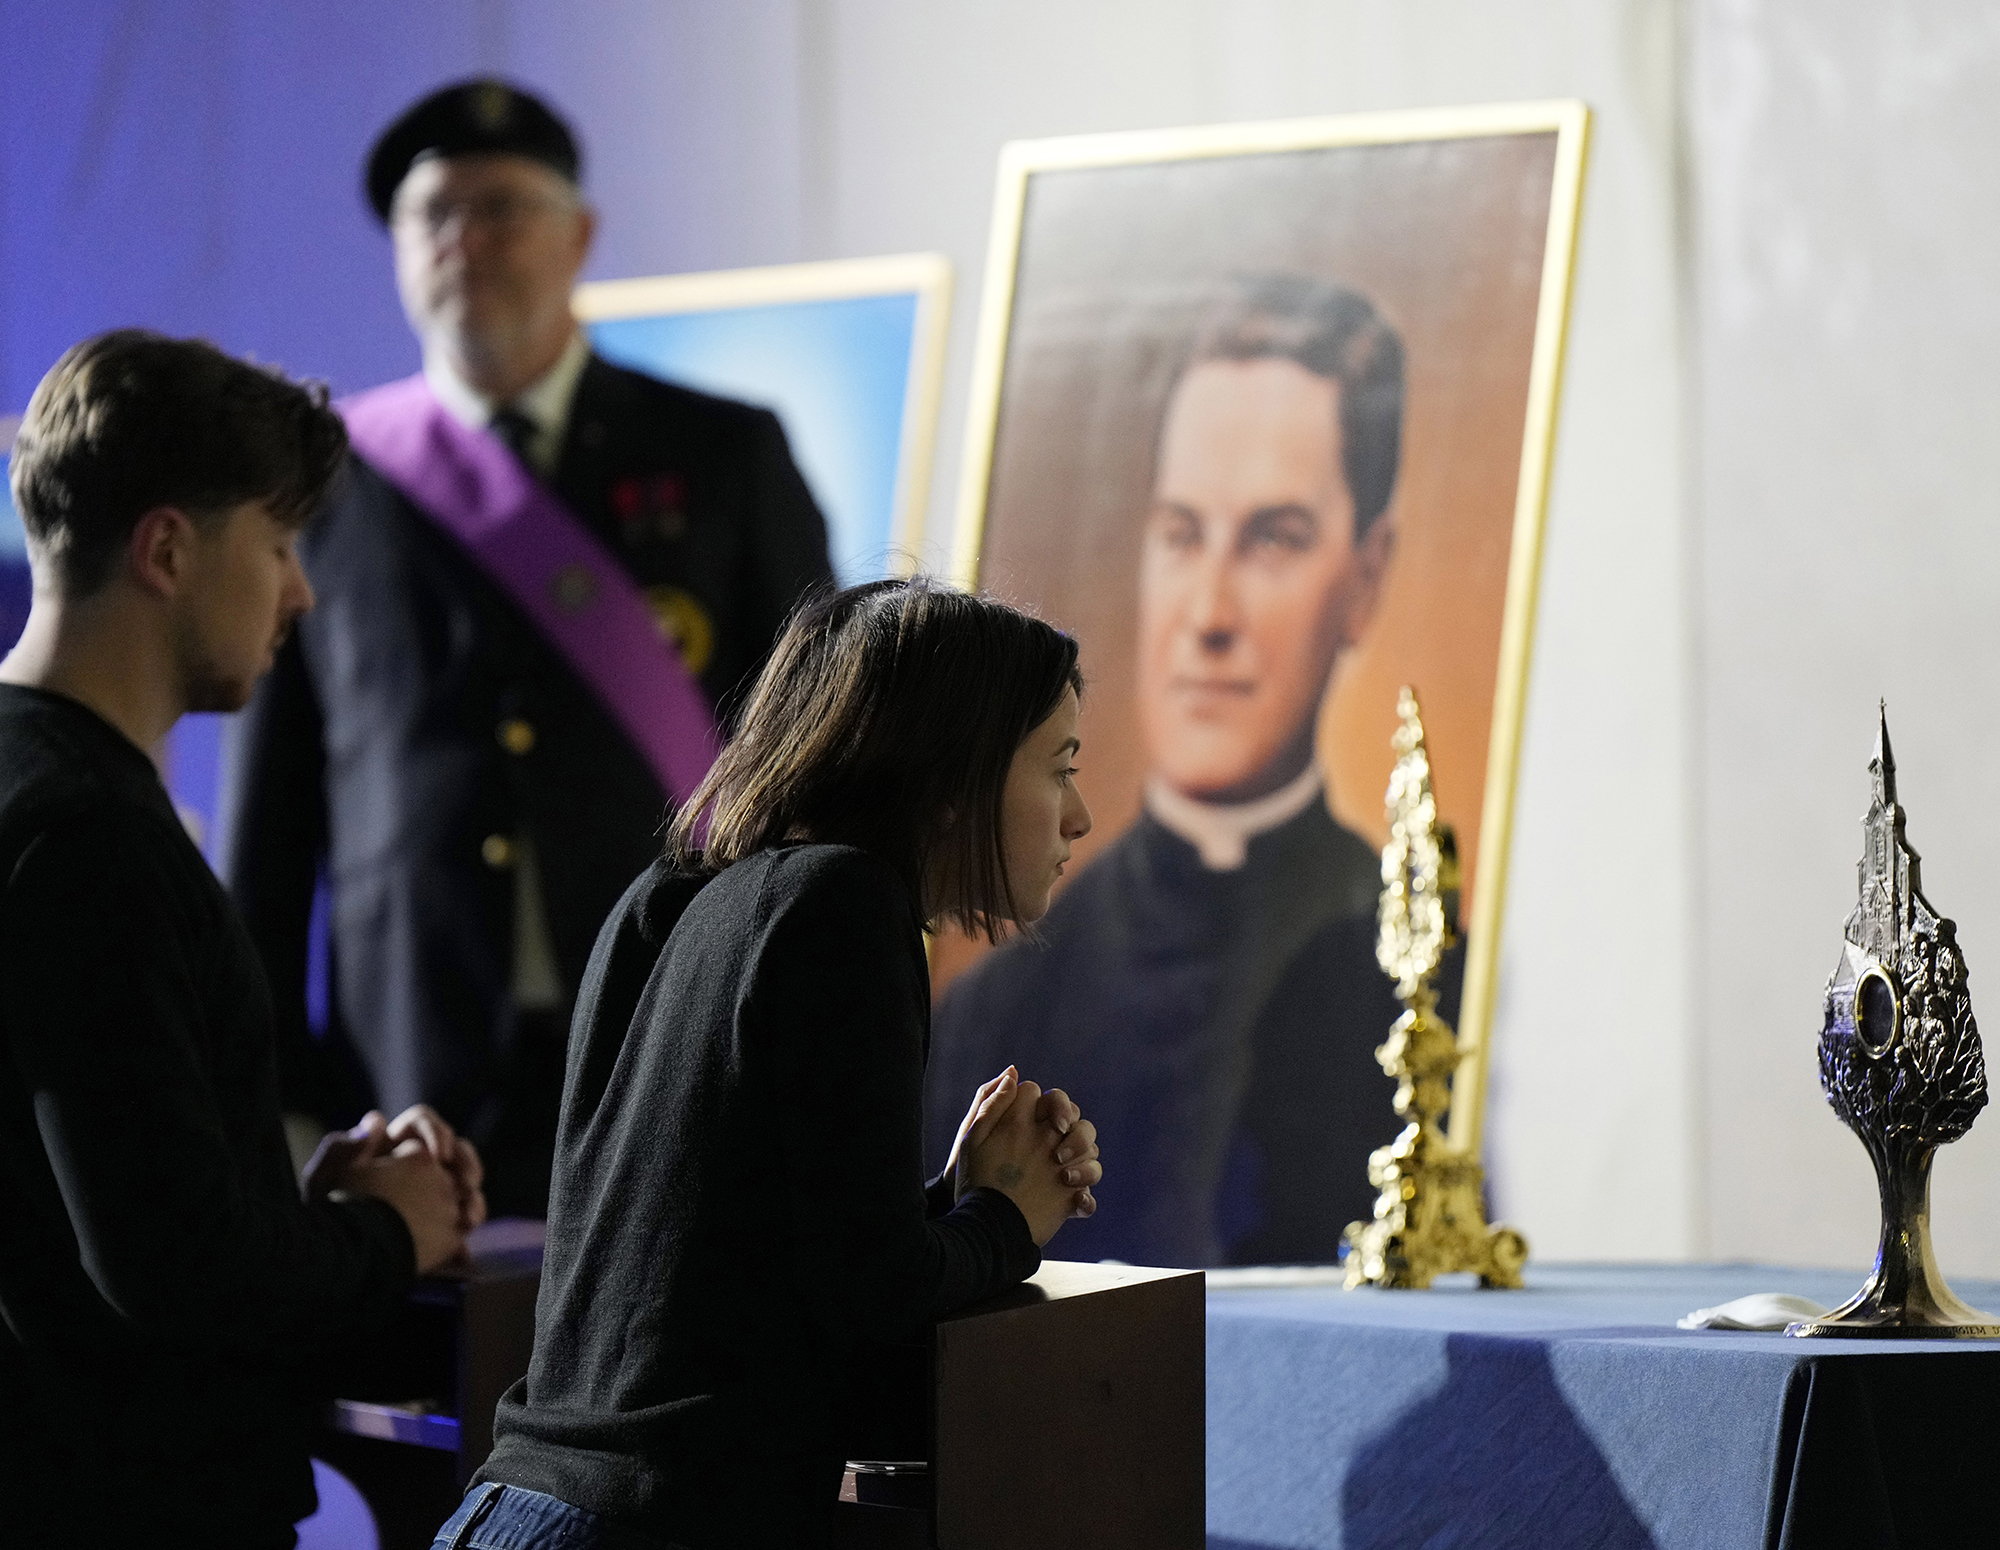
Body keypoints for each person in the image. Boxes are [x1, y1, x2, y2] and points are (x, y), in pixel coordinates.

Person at [219, 79, 833, 1217]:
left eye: (500, 205)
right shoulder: (323, 480)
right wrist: (280, 1086)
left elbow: (818, 758)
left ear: (580, 233)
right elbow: (271, 818)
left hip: (675, 1022)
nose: (465, 239)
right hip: (406, 1065)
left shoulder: (722, 454)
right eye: (433, 214)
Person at [432, 579, 1104, 1549]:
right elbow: (871, 1298)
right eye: (1060, 766)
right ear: (953, 775)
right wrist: (1006, 1220)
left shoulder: (669, 898)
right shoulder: (850, 902)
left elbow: (719, 1255)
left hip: (510, 1510)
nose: (1077, 814)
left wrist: (950, 1200)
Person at [0, 330, 485, 1548]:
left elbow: (87, 1197)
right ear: (167, 548)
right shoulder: (88, 835)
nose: (301, 592)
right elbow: (175, 1277)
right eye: (276, 544)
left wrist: (295, 1204)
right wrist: (393, 1230)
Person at [927, 274, 1461, 1268]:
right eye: (1181, 534)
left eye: (1272, 538)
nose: (1207, 613)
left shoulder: (1418, 962)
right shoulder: (993, 1009)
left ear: (1366, 575)